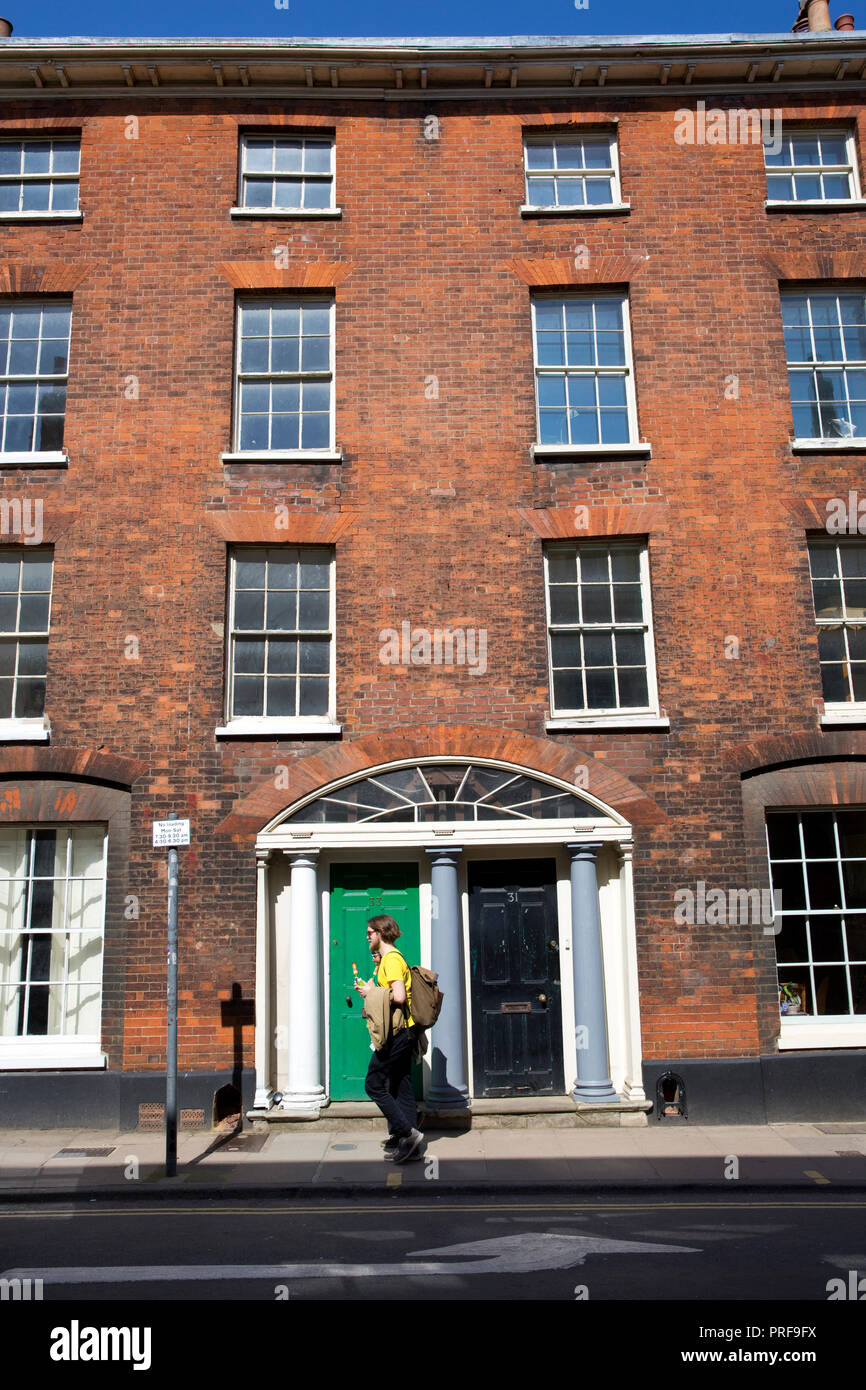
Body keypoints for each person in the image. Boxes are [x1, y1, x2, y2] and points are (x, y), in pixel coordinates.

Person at [354, 914, 424, 1163]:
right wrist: (370, 991)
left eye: (370, 932)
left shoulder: (392, 960)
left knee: (373, 1084)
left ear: (381, 932)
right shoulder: (387, 960)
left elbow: (399, 997)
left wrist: (372, 992)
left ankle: (408, 1133)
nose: (367, 936)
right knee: (400, 1084)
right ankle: (407, 1142)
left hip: (396, 1034)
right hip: (404, 1031)